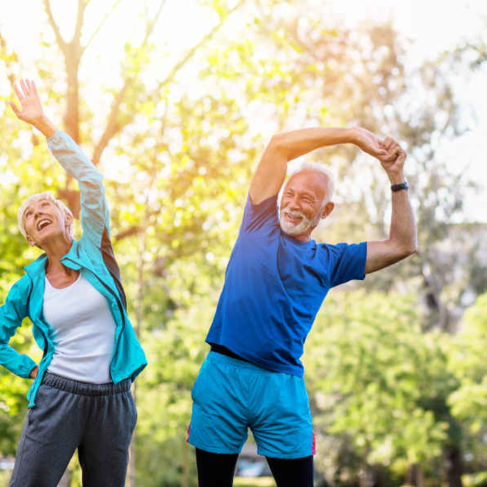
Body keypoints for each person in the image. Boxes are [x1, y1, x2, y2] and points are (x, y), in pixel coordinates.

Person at [187, 126, 417, 486]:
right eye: (289, 194)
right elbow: (279, 144)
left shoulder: (331, 261)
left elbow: (402, 244)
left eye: (307, 199)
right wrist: (353, 135)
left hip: (282, 390)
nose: (293, 204)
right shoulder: (257, 222)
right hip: (223, 377)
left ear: (326, 210)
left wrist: (396, 179)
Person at [0, 79, 147, 487]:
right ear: (32, 239)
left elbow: (91, 180)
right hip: (57, 395)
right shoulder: (29, 286)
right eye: (30, 216)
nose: (38, 212)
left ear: (68, 218)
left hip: (113, 399)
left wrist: (43, 124)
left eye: (45, 205)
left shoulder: (96, 250)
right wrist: (30, 369)